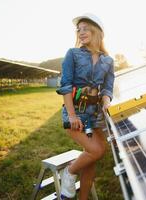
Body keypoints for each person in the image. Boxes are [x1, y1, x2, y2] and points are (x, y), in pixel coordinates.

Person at [56, 13, 115, 200]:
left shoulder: (108, 61)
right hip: (76, 113)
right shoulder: (72, 54)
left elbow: (107, 88)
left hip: (95, 115)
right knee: (97, 151)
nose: (81, 32)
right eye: (78, 30)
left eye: (85, 28)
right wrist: (72, 116)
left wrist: (106, 102)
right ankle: (69, 172)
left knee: (92, 160)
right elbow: (65, 86)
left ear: (97, 31)